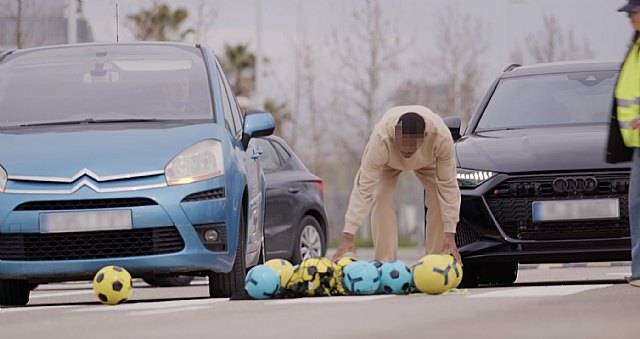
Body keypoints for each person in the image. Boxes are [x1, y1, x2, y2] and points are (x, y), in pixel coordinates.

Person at [332, 105, 462, 264]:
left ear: (425, 137)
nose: (407, 150)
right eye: (403, 145)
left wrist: (450, 234)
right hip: (388, 162)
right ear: (394, 136)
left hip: (427, 161)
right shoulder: (380, 140)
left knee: (437, 196)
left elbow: (448, 187)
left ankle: (434, 261)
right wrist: (348, 235)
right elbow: (363, 189)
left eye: (412, 146)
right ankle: (385, 262)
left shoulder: (441, 137)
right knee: (379, 196)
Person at [606, 0, 640, 287]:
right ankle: (639, 268)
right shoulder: (636, 44)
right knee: (637, 204)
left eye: (635, 12)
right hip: (636, 143)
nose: (630, 18)